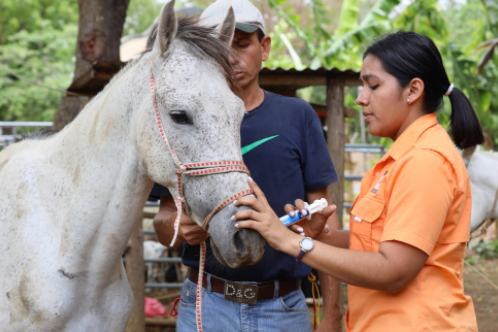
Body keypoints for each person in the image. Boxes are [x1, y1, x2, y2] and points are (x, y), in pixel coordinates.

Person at [234, 31, 481, 331]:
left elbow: (394, 270)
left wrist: (291, 241)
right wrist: (323, 235)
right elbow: (376, 243)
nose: (361, 98)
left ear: (413, 90)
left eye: (373, 85)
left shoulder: (425, 160)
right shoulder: (399, 159)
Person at [151, 0, 343, 331]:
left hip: (282, 307)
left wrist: (333, 312)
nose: (230, 56)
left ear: (264, 47)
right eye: (218, 47)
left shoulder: (297, 116)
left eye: (242, 43)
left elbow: (322, 214)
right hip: (205, 302)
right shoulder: (182, 121)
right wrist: (179, 228)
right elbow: (164, 219)